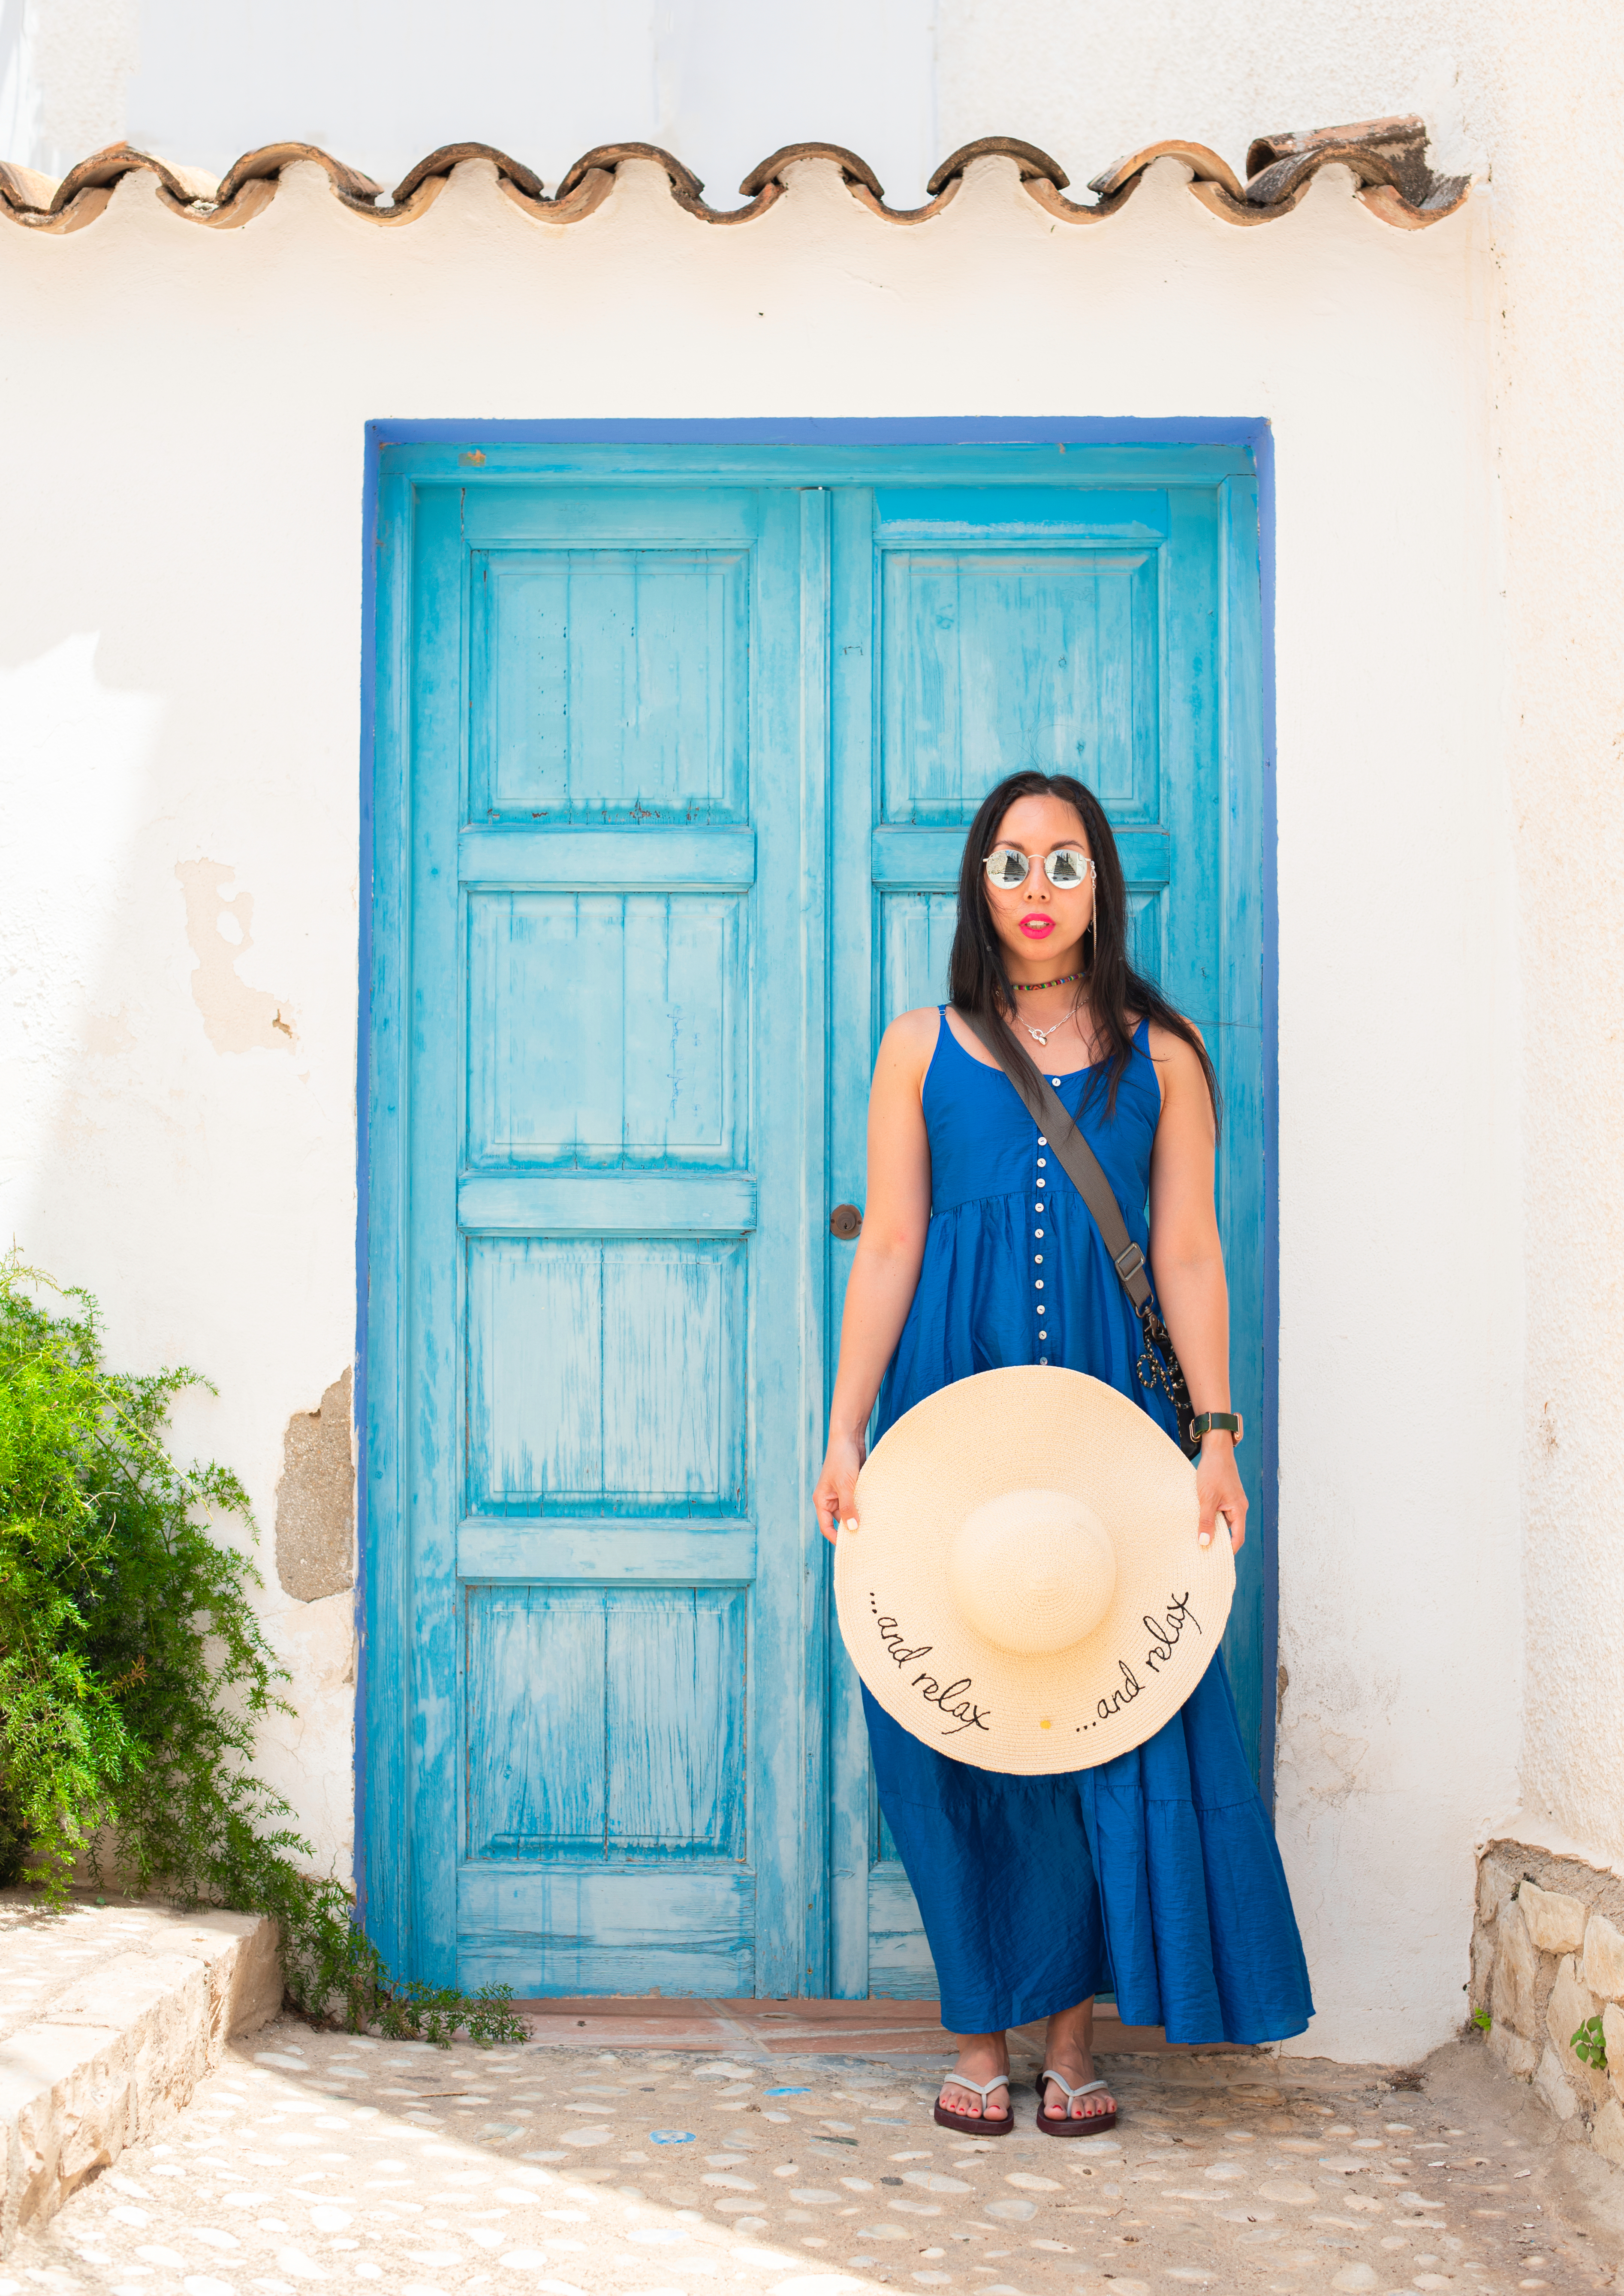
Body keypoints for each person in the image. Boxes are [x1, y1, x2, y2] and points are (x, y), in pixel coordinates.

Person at [813, 770, 1313, 2132]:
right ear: (979, 885)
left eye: (1065, 863)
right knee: (949, 1718)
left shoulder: (1165, 1054)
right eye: (1012, 864)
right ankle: (979, 2033)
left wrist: (1213, 1432)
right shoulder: (919, 1044)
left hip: (1110, 1434)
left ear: (1103, 885)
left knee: (1101, 1704)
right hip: (944, 1421)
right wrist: (844, 1426)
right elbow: (896, 1244)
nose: (1037, 891)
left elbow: (1189, 1252)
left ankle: (1073, 2033)